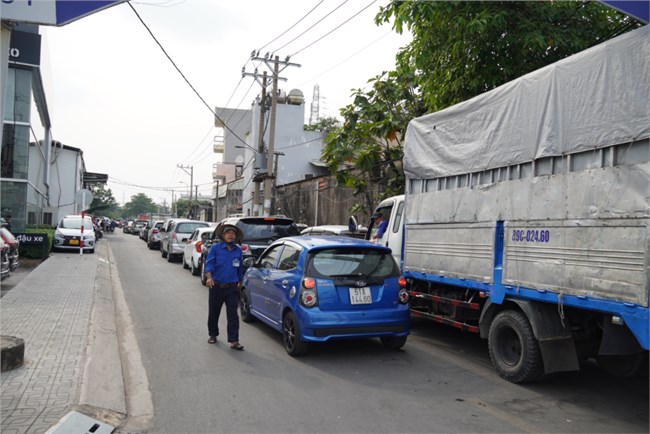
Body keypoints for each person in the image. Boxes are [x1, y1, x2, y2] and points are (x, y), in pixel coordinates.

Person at [204, 224, 245, 350]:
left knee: (233, 314)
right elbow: (209, 264)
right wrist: (209, 277)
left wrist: (240, 281)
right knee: (213, 312)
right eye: (228, 233)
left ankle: (234, 340)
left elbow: (240, 267)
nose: (231, 235)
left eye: (233, 233)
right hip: (216, 286)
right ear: (223, 235)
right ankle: (213, 334)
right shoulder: (216, 248)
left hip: (232, 288)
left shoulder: (238, 250)